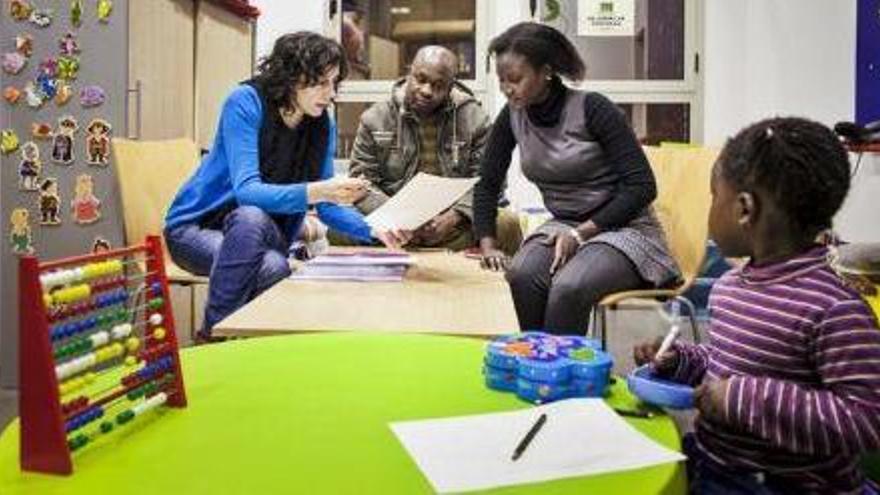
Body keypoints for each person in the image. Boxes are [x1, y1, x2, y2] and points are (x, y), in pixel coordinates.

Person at [634, 117, 880, 494]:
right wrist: (680, 359)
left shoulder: (834, 307)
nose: (709, 209)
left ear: (744, 209)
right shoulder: (730, 287)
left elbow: (865, 421)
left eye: (714, 196)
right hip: (715, 462)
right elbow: (727, 362)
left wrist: (740, 398)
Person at [164, 32, 407, 342]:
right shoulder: (245, 102)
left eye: (334, 83)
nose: (331, 93)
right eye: (322, 82)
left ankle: (229, 347)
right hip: (194, 230)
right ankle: (211, 339)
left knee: (271, 258)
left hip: (262, 236)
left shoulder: (321, 124)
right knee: (268, 256)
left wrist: (375, 229)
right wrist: (319, 190)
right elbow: (247, 192)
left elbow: (328, 208)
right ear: (293, 76)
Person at [473, 22, 678, 334]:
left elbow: (642, 187)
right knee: (522, 275)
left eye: (515, 79)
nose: (506, 88)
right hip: (564, 224)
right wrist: (488, 246)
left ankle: (562, 375)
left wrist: (582, 234)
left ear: (546, 72)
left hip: (625, 228)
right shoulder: (512, 115)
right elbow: (487, 183)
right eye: (501, 79)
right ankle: (535, 363)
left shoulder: (593, 108)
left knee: (569, 286)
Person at [348, 45, 522, 255]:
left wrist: (455, 216)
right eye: (420, 79)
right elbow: (361, 184)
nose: (427, 90)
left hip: (452, 226)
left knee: (508, 224)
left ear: (451, 87)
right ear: (408, 74)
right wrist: (399, 219)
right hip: (391, 225)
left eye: (438, 85)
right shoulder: (375, 118)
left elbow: (489, 182)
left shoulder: (474, 119)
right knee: (334, 227)